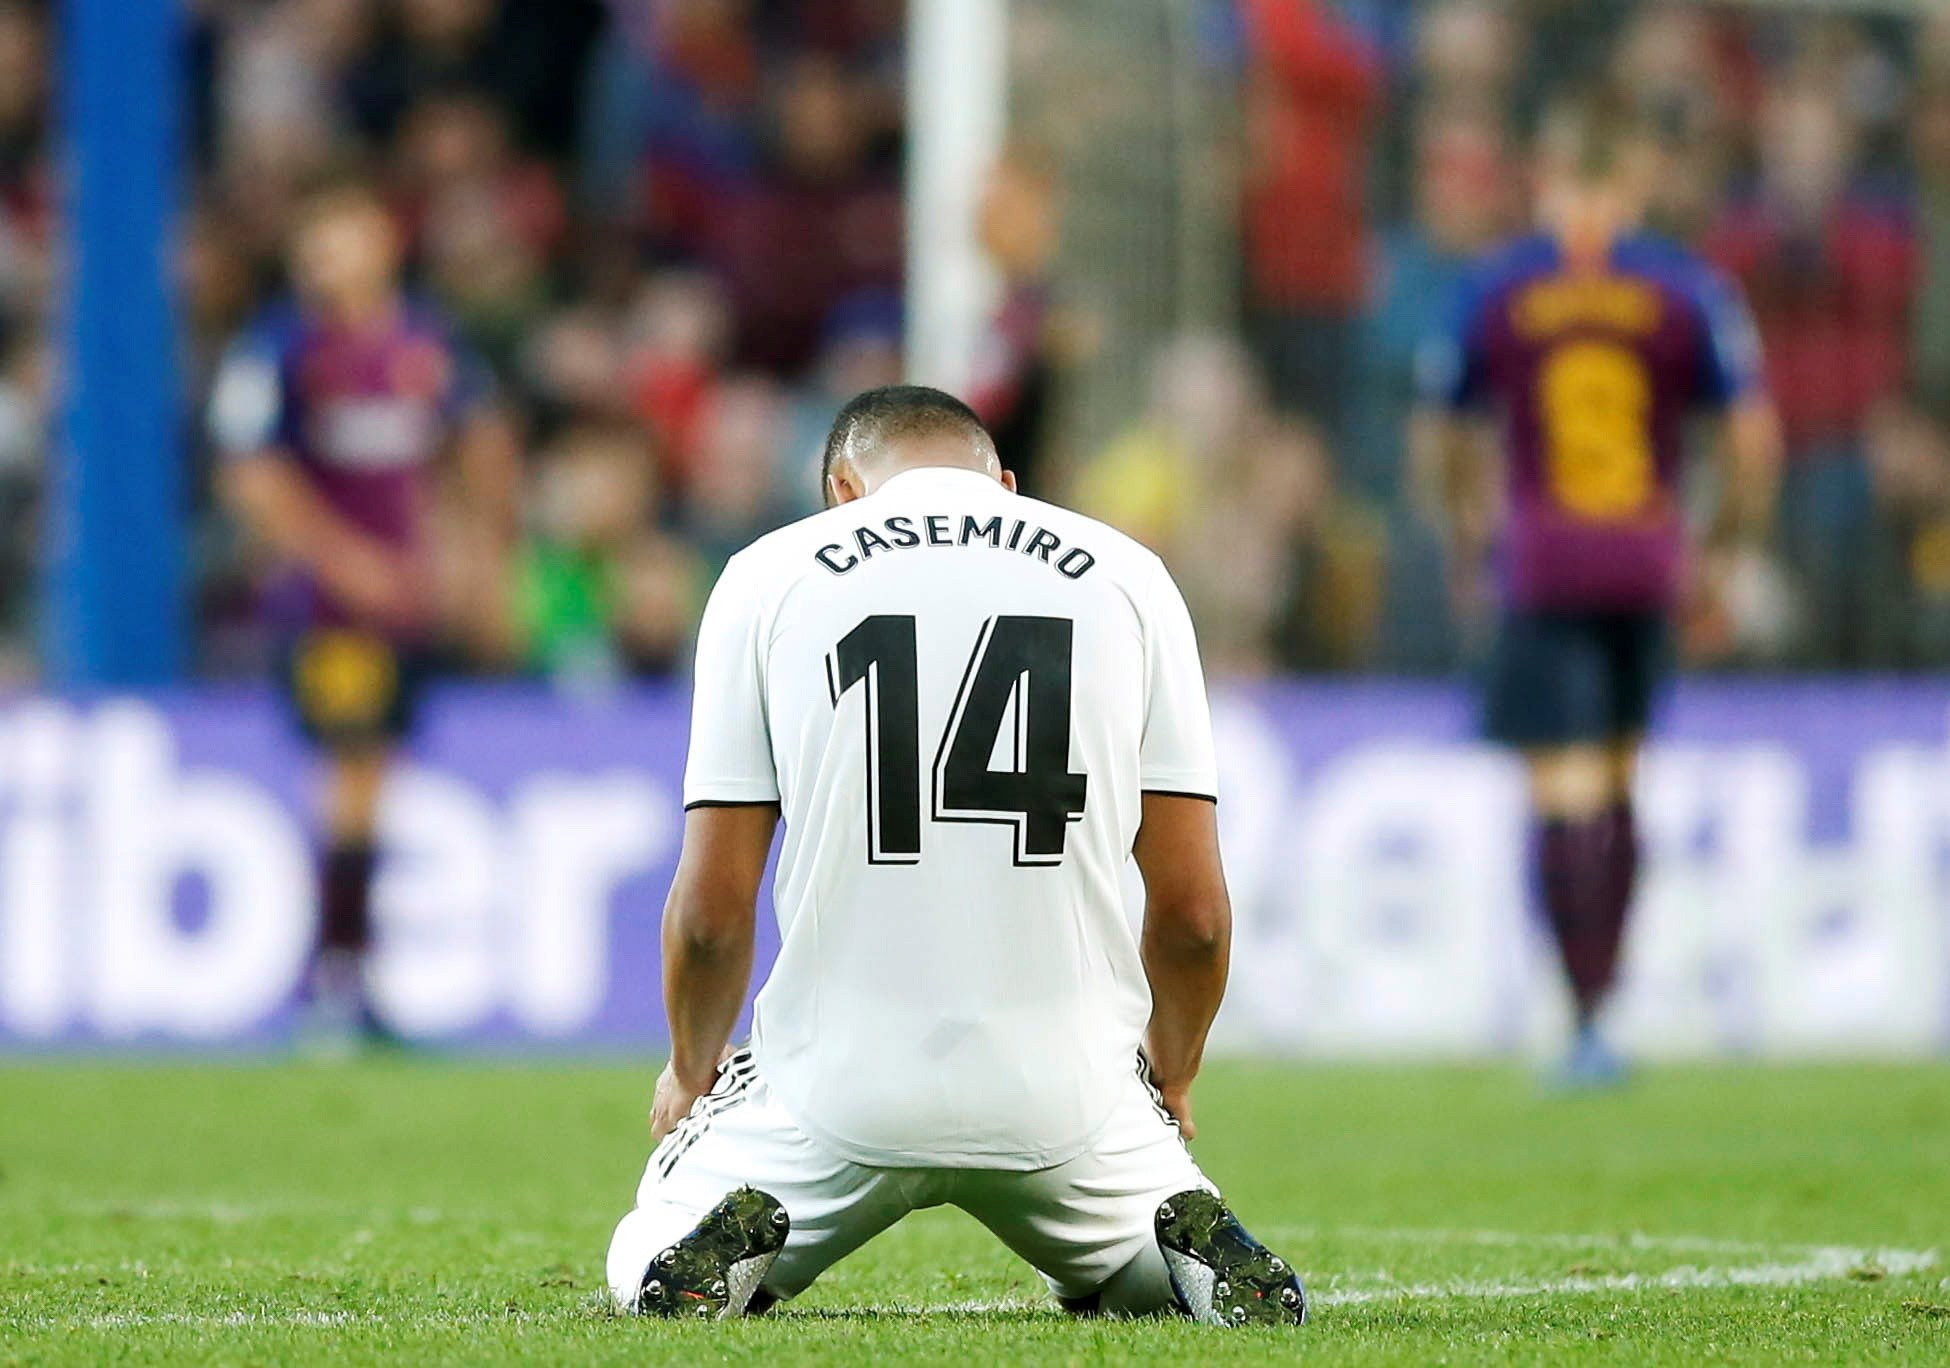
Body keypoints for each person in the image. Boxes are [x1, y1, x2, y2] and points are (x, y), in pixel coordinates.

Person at [604, 386, 1305, 1326]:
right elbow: (1194, 913)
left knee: (649, 1236)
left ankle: (714, 1248)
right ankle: (1167, 1238)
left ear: (842, 490)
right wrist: (1169, 1075)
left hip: (834, 1088)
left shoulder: (768, 577)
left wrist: (691, 1072)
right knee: (1138, 1259)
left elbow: (709, 911)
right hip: (1066, 1091)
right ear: (1004, 486)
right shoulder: (1130, 579)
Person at [1418, 93, 1780, 1085]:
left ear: (1545, 177)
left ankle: (1579, 1023)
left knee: (1562, 789)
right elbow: (1752, 444)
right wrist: (1721, 554)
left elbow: (1441, 428)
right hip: (1646, 559)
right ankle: (1605, 1013)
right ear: (1634, 181)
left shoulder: (1495, 288)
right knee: (1620, 782)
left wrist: (1465, 533)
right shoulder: (1687, 287)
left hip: (1542, 562)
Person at [209, 182, 513, 1051]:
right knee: (350, 779)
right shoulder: (278, 347)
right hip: (328, 611)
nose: (326, 257)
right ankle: (337, 988)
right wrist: (350, 564)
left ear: (383, 242)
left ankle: (350, 981)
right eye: (316, 243)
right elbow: (253, 473)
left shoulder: (429, 343)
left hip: (406, 607)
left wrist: (476, 560)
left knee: (375, 785)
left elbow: (480, 444)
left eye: (342, 238)